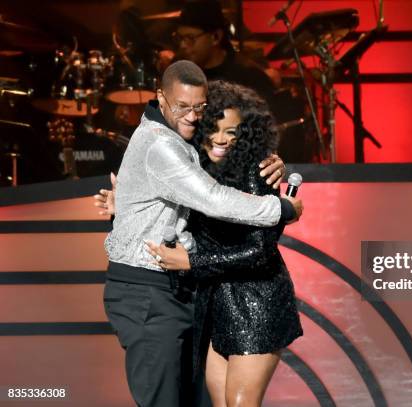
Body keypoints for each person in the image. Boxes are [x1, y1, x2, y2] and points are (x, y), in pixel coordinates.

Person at [101, 60, 302, 407]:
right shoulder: (167, 147)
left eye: (199, 108)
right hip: (159, 293)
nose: (193, 117)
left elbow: (257, 249)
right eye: (183, 107)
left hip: (241, 299)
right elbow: (209, 199)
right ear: (161, 98)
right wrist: (283, 210)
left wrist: (191, 261)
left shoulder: (238, 165)